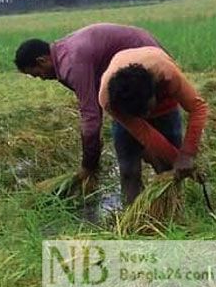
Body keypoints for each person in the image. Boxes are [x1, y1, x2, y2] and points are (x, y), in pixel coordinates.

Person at [15, 24, 163, 184]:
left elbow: (90, 117)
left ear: (41, 61)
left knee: (142, 140)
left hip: (146, 61)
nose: (42, 78)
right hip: (137, 54)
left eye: (37, 74)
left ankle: (167, 177)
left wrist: (88, 165)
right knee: (132, 141)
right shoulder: (63, 54)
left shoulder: (72, 65)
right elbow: (96, 99)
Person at [99, 47, 209, 203]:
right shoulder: (108, 100)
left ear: (153, 92)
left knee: (169, 171)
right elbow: (144, 132)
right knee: (129, 171)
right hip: (127, 115)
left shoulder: (167, 74)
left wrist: (187, 155)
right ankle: (132, 217)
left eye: (147, 110)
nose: (146, 117)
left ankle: (172, 213)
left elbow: (198, 108)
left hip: (165, 109)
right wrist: (178, 159)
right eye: (140, 114)